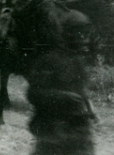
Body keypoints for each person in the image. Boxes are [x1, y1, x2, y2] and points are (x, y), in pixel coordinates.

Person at [27, 12, 97, 155]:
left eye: (86, 33)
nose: (84, 37)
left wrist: (89, 106)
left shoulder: (78, 61)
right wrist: (63, 96)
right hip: (52, 129)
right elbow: (33, 94)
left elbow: (80, 90)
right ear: (68, 34)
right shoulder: (49, 60)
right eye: (80, 33)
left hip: (78, 129)